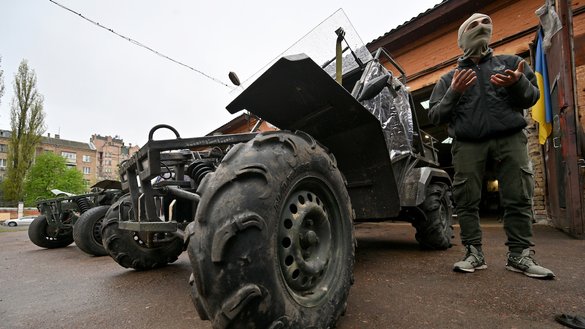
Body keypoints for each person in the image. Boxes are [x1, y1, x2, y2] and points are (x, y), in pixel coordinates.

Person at [428, 13, 555, 279]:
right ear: (462, 38)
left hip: (510, 137)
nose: (483, 27)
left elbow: (532, 97)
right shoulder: (448, 78)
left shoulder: (511, 63)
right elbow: (435, 116)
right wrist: (454, 92)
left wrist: (516, 82)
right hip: (467, 142)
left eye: (486, 23)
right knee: (466, 198)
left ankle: (519, 255)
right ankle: (473, 253)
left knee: (519, 195)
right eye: (473, 25)